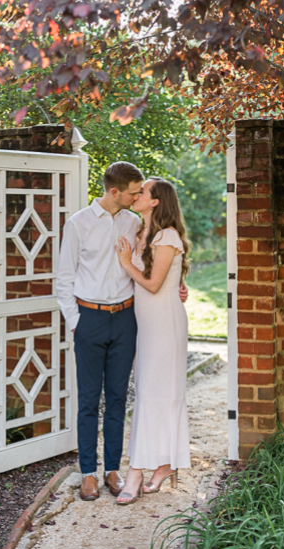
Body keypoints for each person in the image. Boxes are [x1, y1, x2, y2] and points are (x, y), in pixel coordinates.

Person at [55, 161, 187, 502]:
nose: (136, 197)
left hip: (127, 319)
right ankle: (88, 472)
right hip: (90, 318)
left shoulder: (136, 224)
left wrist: (178, 286)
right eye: (132, 192)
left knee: (117, 398)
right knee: (88, 399)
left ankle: (113, 469)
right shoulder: (78, 224)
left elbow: (161, 262)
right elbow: (64, 279)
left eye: (140, 192)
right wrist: (76, 320)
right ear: (115, 192)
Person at [113, 177, 192, 505]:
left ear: (156, 201)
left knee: (155, 395)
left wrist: (127, 263)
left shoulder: (168, 235)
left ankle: (137, 471)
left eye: (142, 192)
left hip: (165, 326)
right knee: (150, 393)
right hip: (146, 324)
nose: (137, 195)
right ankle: (163, 464)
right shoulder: (143, 232)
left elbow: (155, 283)